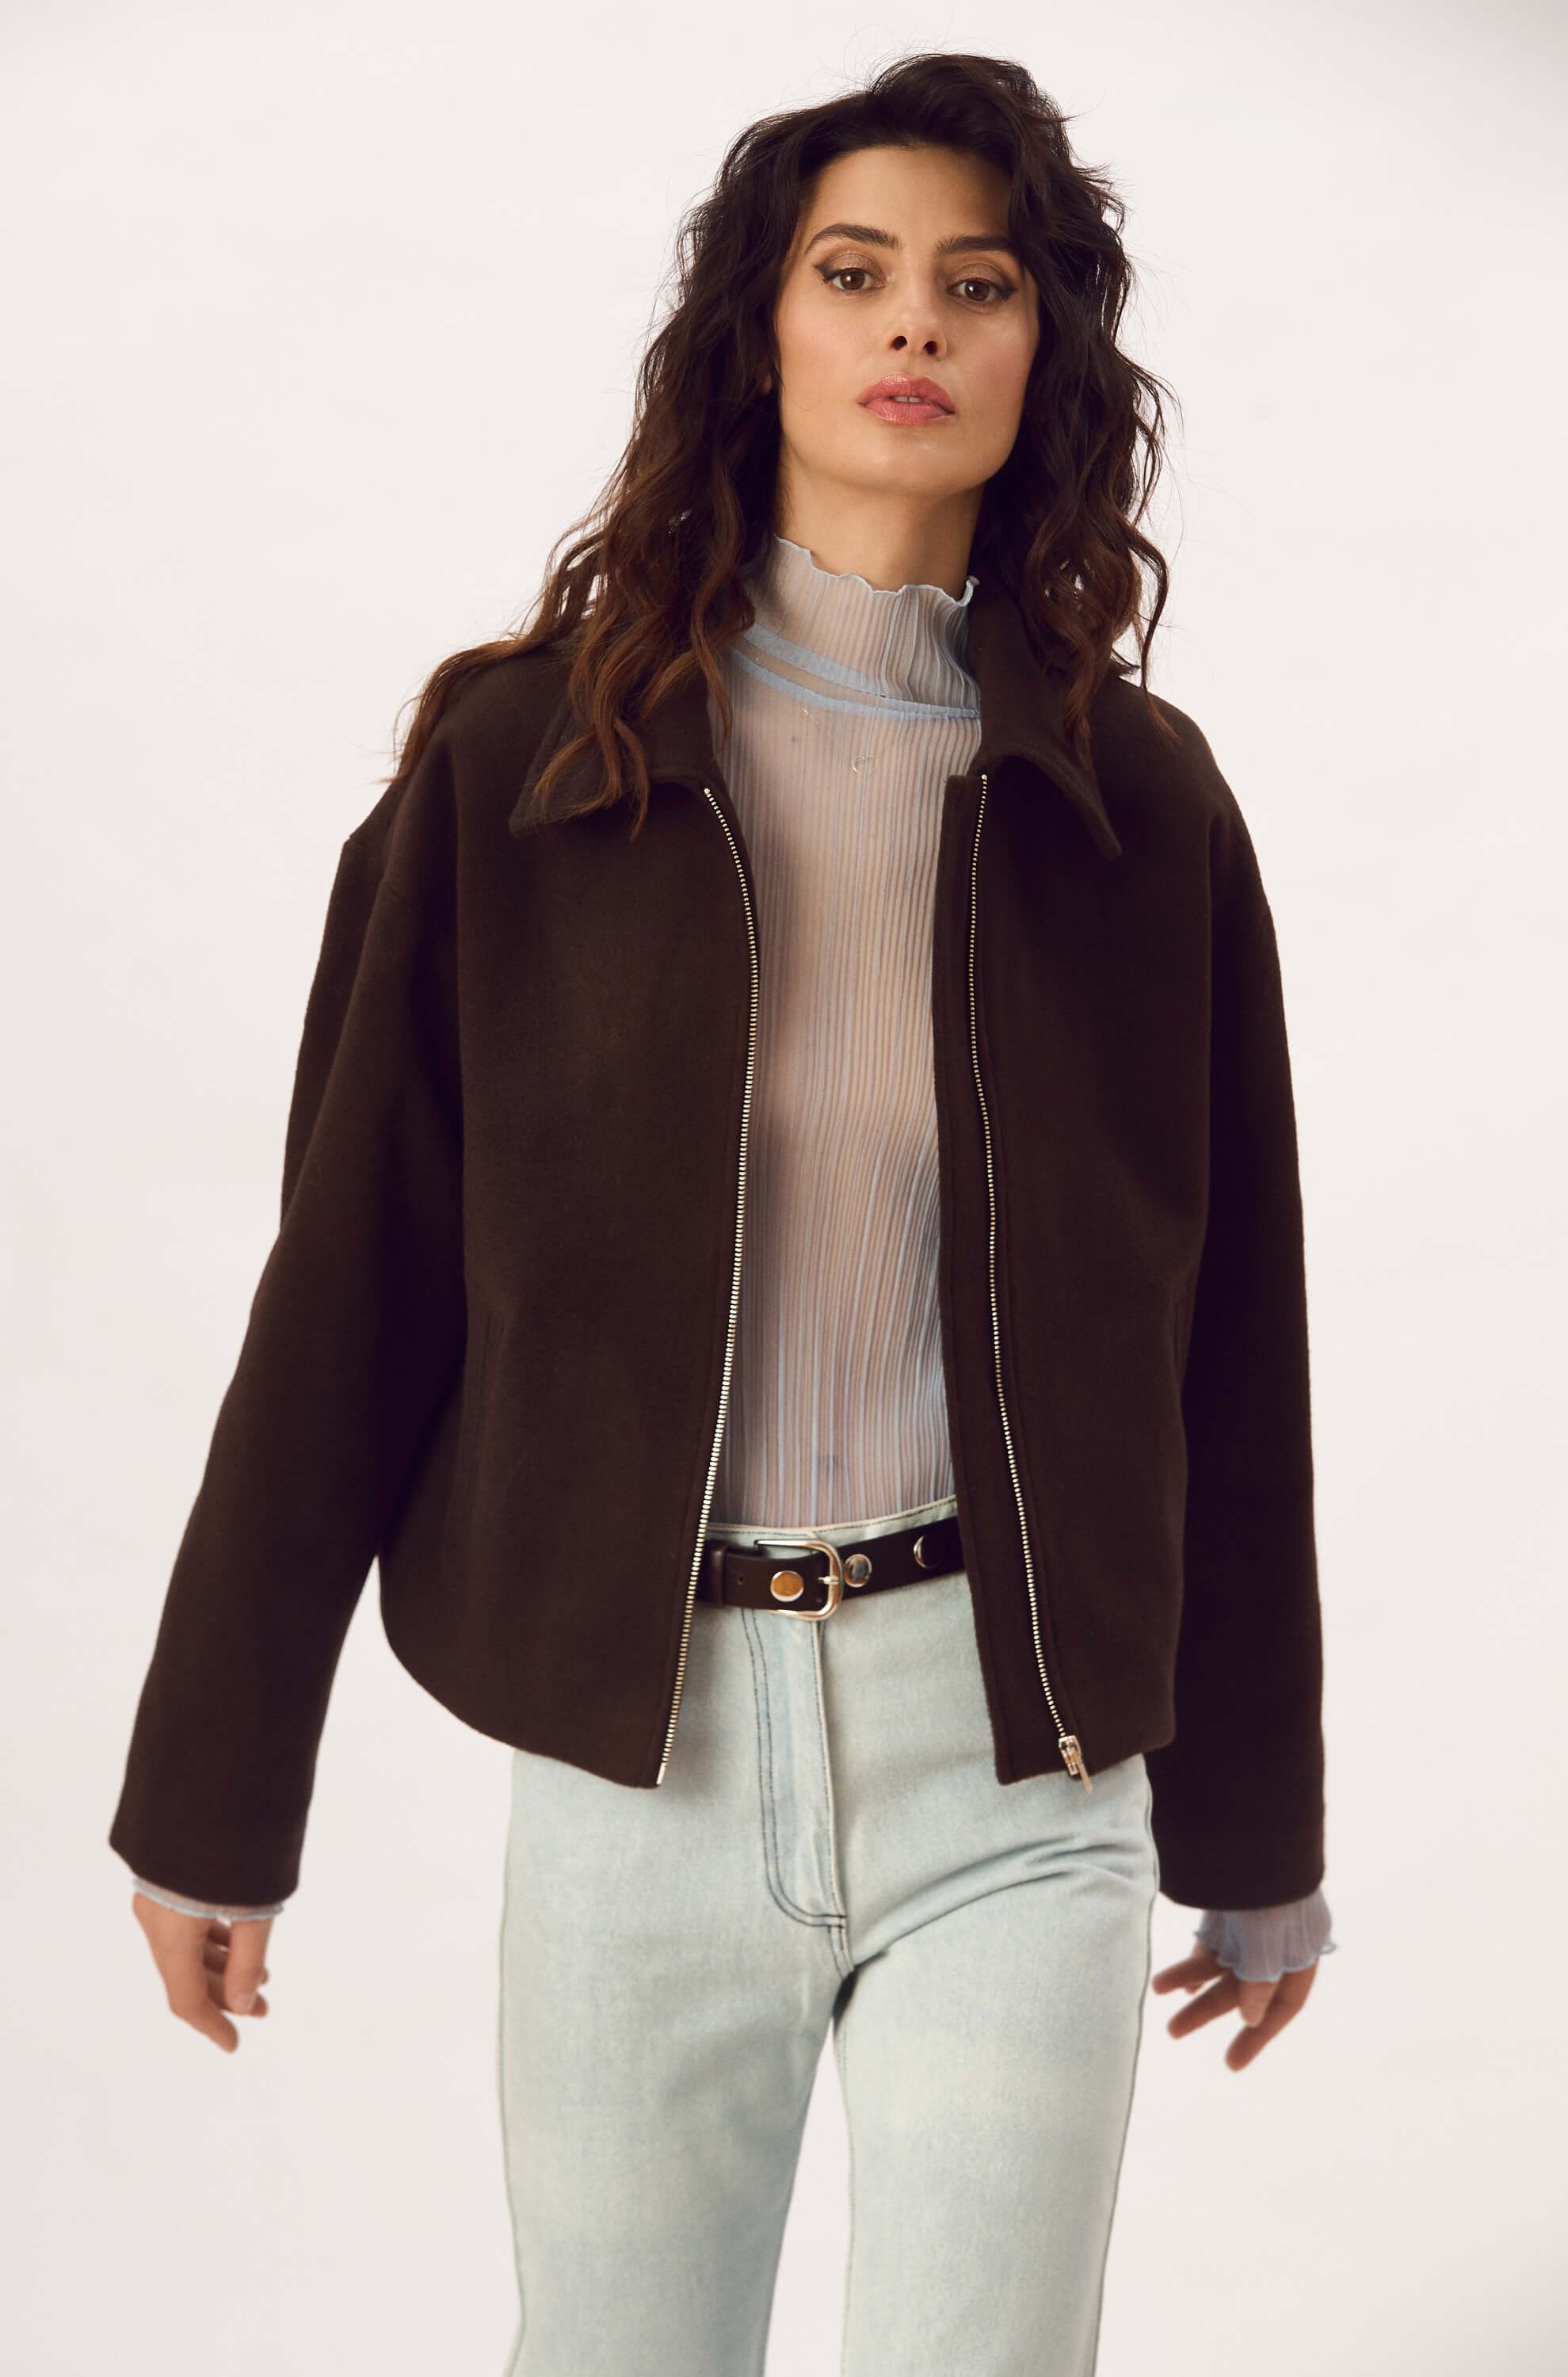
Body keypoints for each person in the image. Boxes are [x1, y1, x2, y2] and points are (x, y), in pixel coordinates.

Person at [112, 49, 1336, 2376]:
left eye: (980, 285)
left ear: (1043, 355)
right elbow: (348, 1293)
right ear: (758, 334)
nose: (916, 323)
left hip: (1019, 1758)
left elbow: (1231, 1341)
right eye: (853, 273)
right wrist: (214, 1796)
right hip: (640, 1756)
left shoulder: (1141, 812)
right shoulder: (530, 770)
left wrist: (1257, 1829)